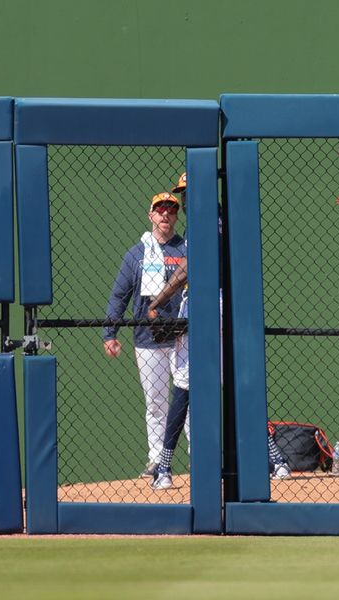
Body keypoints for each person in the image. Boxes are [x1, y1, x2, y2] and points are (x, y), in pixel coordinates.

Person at [147, 173, 291, 490]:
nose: (184, 199)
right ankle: (275, 459)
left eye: (188, 191)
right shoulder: (223, 214)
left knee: (184, 389)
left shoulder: (204, 220)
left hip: (205, 305)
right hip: (229, 307)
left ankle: (164, 468)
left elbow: (187, 270)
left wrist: (157, 302)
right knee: (239, 385)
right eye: (182, 193)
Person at [103, 191, 187, 479]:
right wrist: (109, 333)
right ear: (150, 215)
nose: (166, 214)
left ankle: (201, 459)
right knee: (156, 402)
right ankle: (157, 460)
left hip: (182, 338)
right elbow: (119, 295)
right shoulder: (136, 254)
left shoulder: (188, 249)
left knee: (189, 401)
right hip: (147, 339)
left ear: (177, 216)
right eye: (160, 209)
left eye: (172, 210)